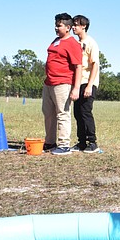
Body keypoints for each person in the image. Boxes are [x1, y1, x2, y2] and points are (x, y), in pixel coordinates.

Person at [42, 13, 82, 155]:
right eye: (56, 24)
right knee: (48, 113)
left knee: (62, 114)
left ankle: (64, 145)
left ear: (68, 27)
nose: (56, 28)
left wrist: (76, 88)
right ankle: (50, 142)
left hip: (63, 83)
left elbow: (78, 66)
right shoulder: (56, 41)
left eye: (59, 25)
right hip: (49, 83)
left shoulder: (73, 44)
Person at [70, 14, 101, 153]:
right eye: (73, 24)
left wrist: (90, 85)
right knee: (77, 112)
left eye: (76, 24)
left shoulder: (91, 43)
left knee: (85, 112)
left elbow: (95, 65)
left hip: (88, 82)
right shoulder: (75, 43)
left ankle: (92, 142)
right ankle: (81, 142)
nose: (74, 27)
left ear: (84, 26)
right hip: (78, 82)